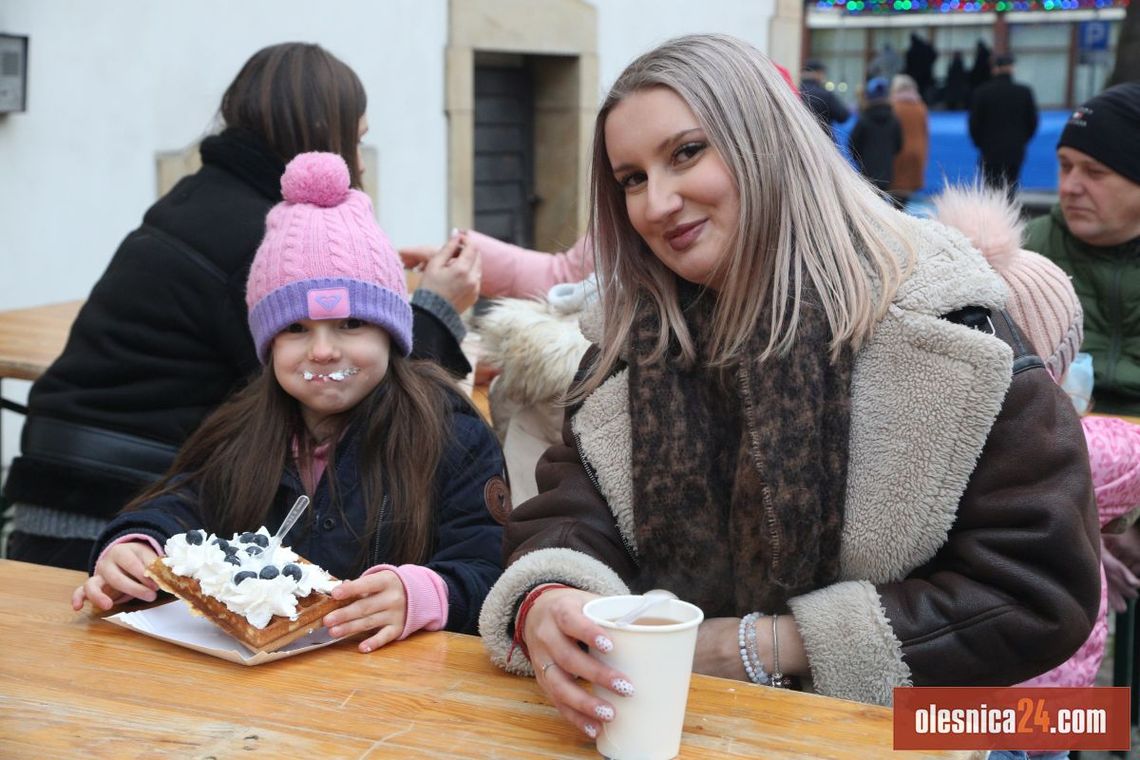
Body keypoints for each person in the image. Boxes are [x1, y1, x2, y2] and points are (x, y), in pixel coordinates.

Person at [477, 34, 1099, 740]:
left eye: (686, 153)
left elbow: (1036, 591)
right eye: (631, 179)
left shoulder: (951, 330)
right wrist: (551, 597)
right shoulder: (627, 352)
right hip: (665, 731)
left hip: (905, 735)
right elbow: (569, 517)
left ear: (765, 143)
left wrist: (763, 646)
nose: (657, 202)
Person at [2, 43, 478, 573]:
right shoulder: (261, 240)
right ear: (323, 131)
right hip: (123, 512)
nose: (361, 161)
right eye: (356, 138)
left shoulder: (202, 200)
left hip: (64, 478)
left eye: (350, 320)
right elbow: (345, 392)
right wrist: (437, 309)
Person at [72, 152, 507, 648]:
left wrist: (428, 595)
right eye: (296, 329)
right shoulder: (243, 429)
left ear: (391, 333)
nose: (323, 350)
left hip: (392, 699)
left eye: (351, 324)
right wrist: (137, 545)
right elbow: (182, 506)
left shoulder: (452, 435)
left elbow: (491, 570)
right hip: (251, 703)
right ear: (268, 345)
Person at [1024, 82, 1140, 417]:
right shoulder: (1024, 254)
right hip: (1056, 447)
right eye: (1065, 165)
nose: (1070, 186)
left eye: (1095, 172)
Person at [968, 54, 1038, 193]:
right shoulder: (1024, 92)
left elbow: (974, 123)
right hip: (1015, 149)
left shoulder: (982, 92)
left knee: (991, 189)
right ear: (1012, 69)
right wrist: (1021, 140)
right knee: (1010, 188)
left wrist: (980, 143)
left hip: (989, 149)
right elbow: (1032, 122)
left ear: (994, 69)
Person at [847, 77, 902, 195]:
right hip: (887, 170)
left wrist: (859, 159)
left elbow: (852, 144)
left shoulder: (864, 120)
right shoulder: (894, 120)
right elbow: (899, 145)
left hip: (866, 169)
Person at [889, 74, 928, 207]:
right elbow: (924, 132)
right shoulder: (921, 107)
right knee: (906, 191)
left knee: (896, 188)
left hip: (898, 152)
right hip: (917, 150)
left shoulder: (893, 107)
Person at [799, 59, 850, 139]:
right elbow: (843, 116)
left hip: (799, 139)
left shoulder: (794, 91)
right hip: (822, 141)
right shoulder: (825, 94)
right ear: (818, 73)